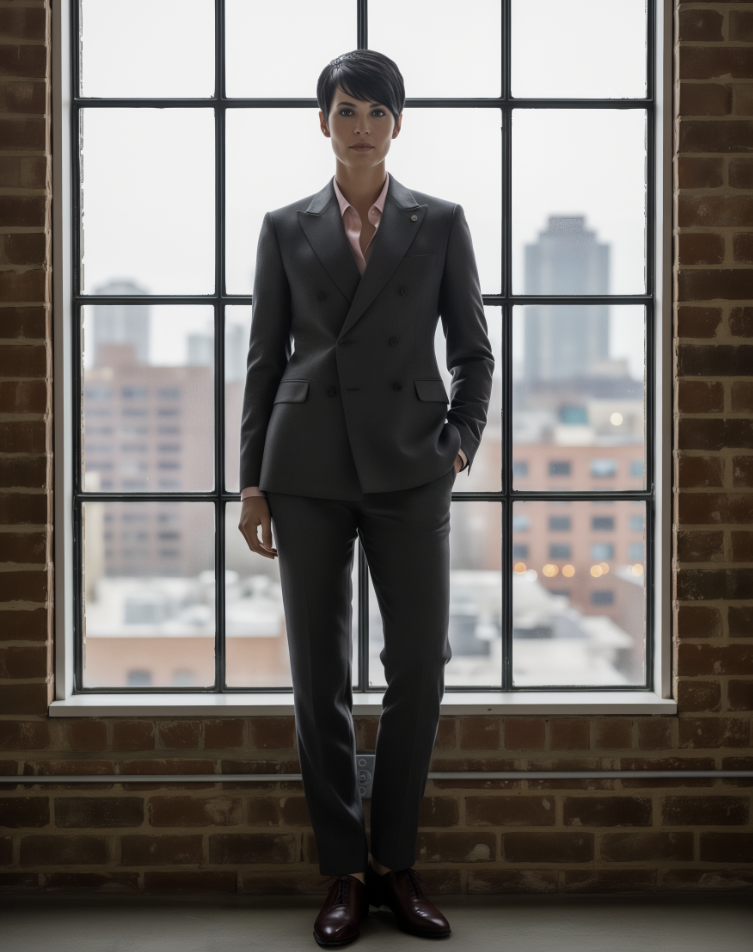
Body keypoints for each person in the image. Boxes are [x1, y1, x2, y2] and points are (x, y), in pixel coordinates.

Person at [239, 49, 493, 947]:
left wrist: (457, 443)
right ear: (323, 122)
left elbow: (473, 351)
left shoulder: (440, 220)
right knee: (318, 673)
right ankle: (344, 870)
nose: (359, 126)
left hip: (408, 466)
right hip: (304, 469)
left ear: (396, 124)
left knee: (419, 662)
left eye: (375, 112)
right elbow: (265, 360)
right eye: (345, 111)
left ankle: (396, 861)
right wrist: (252, 480)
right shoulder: (282, 226)